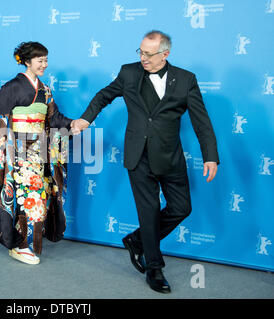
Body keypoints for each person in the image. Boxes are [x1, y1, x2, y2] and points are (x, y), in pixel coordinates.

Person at [71, 30, 219, 293]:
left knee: (182, 207)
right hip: (138, 156)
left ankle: (137, 240)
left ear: (165, 54)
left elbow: (201, 121)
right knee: (148, 212)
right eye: (140, 51)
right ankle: (154, 267)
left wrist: (210, 156)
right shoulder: (129, 73)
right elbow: (104, 95)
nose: (143, 58)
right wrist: (86, 119)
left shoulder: (186, 80)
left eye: (148, 54)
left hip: (170, 157)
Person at [0, 41, 72, 265]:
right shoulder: (14, 86)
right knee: (29, 199)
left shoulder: (44, 89)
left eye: (46, 60)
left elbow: (55, 119)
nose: (45, 64)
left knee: (37, 198)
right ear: (27, 61)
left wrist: (74, 124)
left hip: (39, 150)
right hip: (20, 150)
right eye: (40, 60)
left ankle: (22, 243)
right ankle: (22, 246)